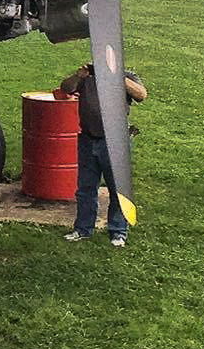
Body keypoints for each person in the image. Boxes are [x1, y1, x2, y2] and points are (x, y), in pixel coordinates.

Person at [56, 62, 147, 246]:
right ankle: (83, 229)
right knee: (85, 189)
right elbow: (65, 89)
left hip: (115, 142)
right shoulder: (87, 77)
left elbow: (141, 95)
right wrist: (79, 75)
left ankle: (118, 232)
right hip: (88, 139)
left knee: (117, 189)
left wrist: (115, 76)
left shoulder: (126, 75)